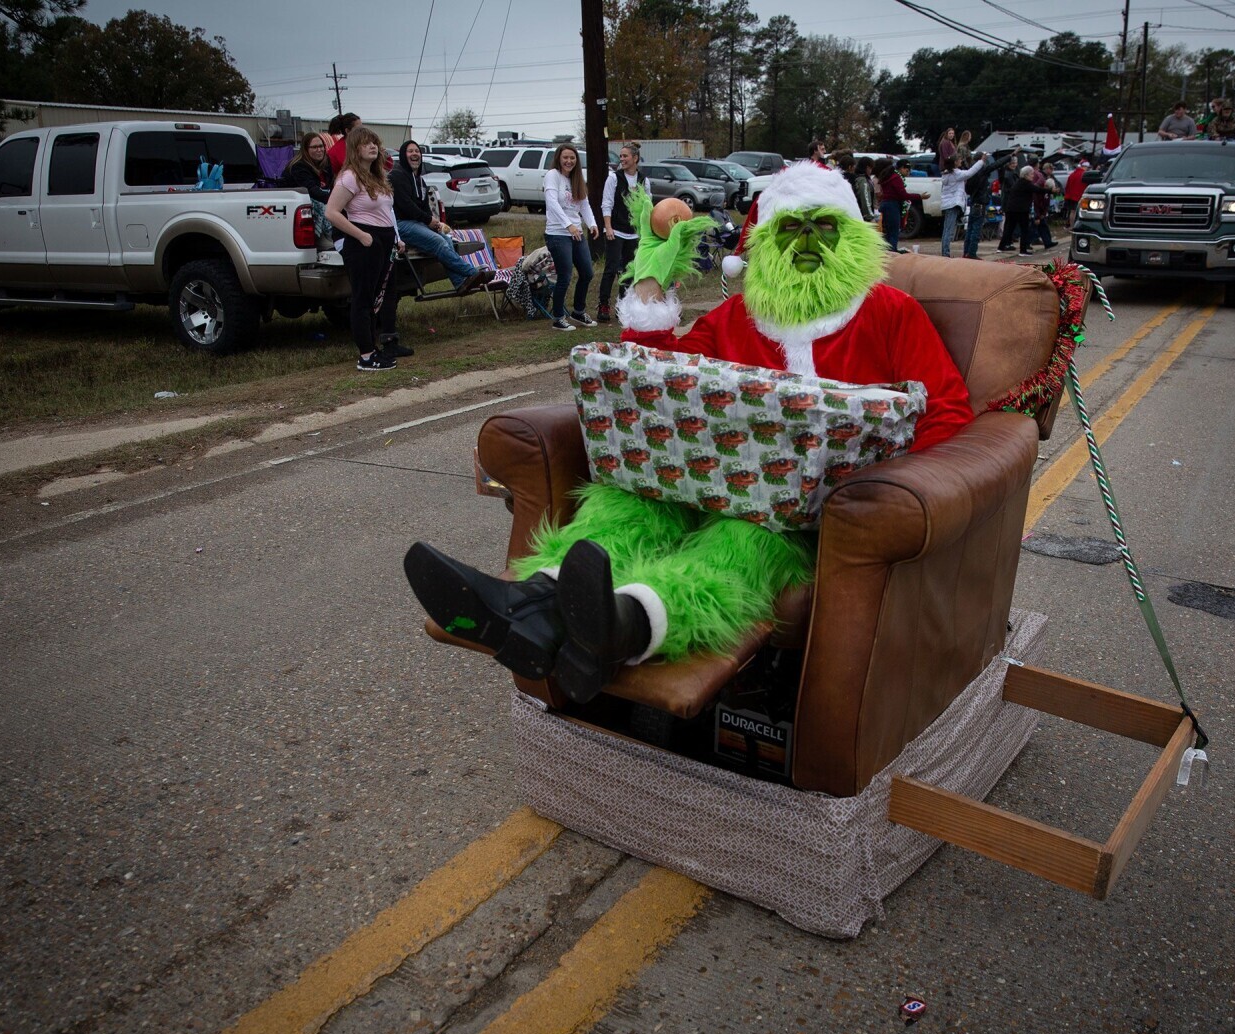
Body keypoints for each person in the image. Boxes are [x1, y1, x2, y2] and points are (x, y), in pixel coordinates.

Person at [403, 163, 975, 701]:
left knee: (737, 547)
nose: (805, 244)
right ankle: (529, 602)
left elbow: (946, 413)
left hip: (790, 514)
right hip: (696, 481)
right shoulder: (735, 317)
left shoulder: (889, 312)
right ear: (762, 244)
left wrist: (866, 479)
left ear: (852, 237)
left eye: (824, 228)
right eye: (788, 231)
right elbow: (654, 383)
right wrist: (650, 281)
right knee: (623, 510)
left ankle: (627, 625)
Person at [324, 126, 403, 372]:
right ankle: (366, 355)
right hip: (363, 241)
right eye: (367, 143)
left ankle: (373, 348)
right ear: (355, 148)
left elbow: (386, 212)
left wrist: (396, 237)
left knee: (375, 298)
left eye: (375, 143)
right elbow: (331, 212)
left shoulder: (377, 176)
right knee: (362, 297)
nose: (373, 147)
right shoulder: (349, 176)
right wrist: (361, 236)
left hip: (384, 239)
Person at [391, 141, 490, 297]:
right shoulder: (397, 176)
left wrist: (433, 222)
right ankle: (470, 272)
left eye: (417, 151)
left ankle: (460, 283)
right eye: (410, 151)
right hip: (401, 224)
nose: (415, 154)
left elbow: (423, 206)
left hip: (417, 223)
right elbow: (406, 206)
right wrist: (427, 220)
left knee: (447, 240)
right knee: (438, 242)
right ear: (403, 155)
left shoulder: (420, 180)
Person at [543, 144, 599, 331]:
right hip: (558, 234)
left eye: (572, 158)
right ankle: (558, 317)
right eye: (565, 157)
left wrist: (592, 224)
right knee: (565, 276)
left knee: (587, 273)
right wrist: (568, 225)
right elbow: (552, 203)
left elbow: (584, 204)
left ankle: (578, 311)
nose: (569, 161)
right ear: (559, 158)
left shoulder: (576, 178)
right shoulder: (553, 175)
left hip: (577, 233)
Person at [598, 141, 651, 323]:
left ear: (635, 158)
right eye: (620, 156)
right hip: (616, 230)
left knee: (629, 270)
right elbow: (606, 203)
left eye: (625, 156)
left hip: (634, 233)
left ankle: (624, 305)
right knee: (611, 268)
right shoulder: (614, 178)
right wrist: (608, 226)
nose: (622, 159)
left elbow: (648, 207)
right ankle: (603, 305)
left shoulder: (644, 180)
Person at [284, 131, 335, 246]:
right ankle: (324, 237)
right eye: (315, 147)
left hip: (322, 204)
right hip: (301, 208)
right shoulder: (298, 167)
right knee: (322, 205)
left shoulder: (326, 163)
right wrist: (335, 200)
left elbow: (332, 185)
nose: (319, 150)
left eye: (321, 146)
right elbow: (312, 191)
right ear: (306, 149)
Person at [938, 151, 988, 257]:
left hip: (948, 204)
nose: (961, 161)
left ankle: (945, 252)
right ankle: (945, 253)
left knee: (947, 229)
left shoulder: (948, 173)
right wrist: (981, 161)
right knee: (948, 230)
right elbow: (970, 172)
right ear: (955, 162)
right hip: (952, 204)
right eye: (959, 159)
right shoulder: (956, 174)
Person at [874, 157, 921, 252]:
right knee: (893, 232)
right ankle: (893, 253)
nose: (908, 173)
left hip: (886, 204)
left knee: (888, 232)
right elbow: (903, 194)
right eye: (907, 170)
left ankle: (888, 252)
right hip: (892, 206)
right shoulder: (896, 178)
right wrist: (919, 196)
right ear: (901, 168)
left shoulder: (887, 177)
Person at [997, 164, 1041, 255]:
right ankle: (1023, 250)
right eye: (1031, 174)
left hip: (1011, 209)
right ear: (1026, 175)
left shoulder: (1018, 182)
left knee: (1009, 229)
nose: (1033, 176)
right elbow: (1037, 190)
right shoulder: (1026, 183)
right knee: (1024, 229)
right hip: (1021, 210)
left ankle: (1000, 247)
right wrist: (1050, 191)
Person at [1063, 156, 1089, 226]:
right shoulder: (1085, 175)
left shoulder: (1072, 174)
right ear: (1085, 166)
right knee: (1083, 212)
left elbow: (1067, 186)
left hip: (1071, 197)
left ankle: (1072, 226)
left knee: (1072, 212)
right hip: (1081, 197)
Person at [849, 155, 876, 221]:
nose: (871, 171)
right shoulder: (863, 180)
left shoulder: (858, 178)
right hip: (863, 217)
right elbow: (865, 198)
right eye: (871, 168)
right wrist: (870, 216)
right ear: (867, 167)